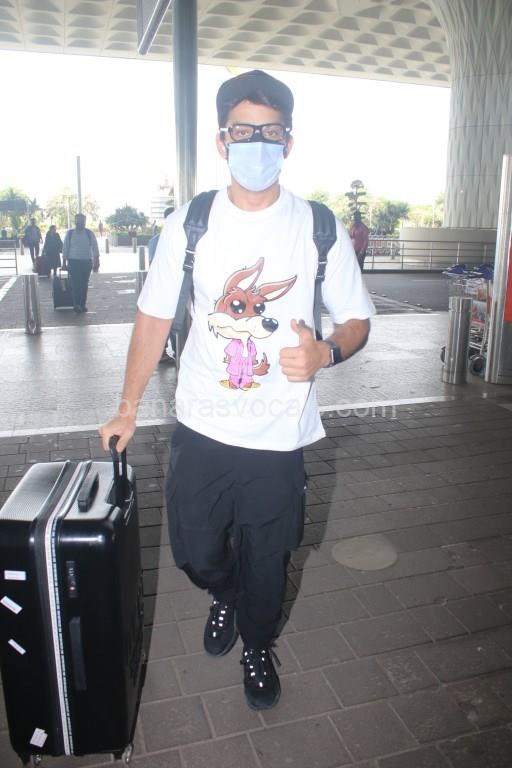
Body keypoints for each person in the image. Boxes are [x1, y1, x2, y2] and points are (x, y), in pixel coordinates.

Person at [99, 69, 374, 711]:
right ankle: (223, 591)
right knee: (195, 551)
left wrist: (326, 351)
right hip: (202, 427)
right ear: (222, 142)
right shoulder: (191, 223)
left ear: (289, 142)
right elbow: (154, 317)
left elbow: (357, 320)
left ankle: (257, 642)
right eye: (243, 131)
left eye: (269, 132)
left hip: (280, 436)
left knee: (270, 562)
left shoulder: (318, 227)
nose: (256, 144)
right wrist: (126, 408)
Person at [148, 207, 176, 362]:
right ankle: (174, 351)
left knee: (165, 320)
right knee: (170, 320)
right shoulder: (161, 240)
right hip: (168, 286)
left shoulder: (155, 240)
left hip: (164, 285)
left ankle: (169, 351)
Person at [62, 213, 100, 313]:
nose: (81, 223)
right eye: (79, 221)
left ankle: (82, 304)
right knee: (75, 284)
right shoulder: (70, 234)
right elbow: (65, 248)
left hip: (86, 262)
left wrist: (97, 261)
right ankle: (76, 304)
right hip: (73, 262)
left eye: (83, 221)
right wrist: (64, 263)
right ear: (75, 221)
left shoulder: (89, 233)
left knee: (84, 283)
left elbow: (95, 247)